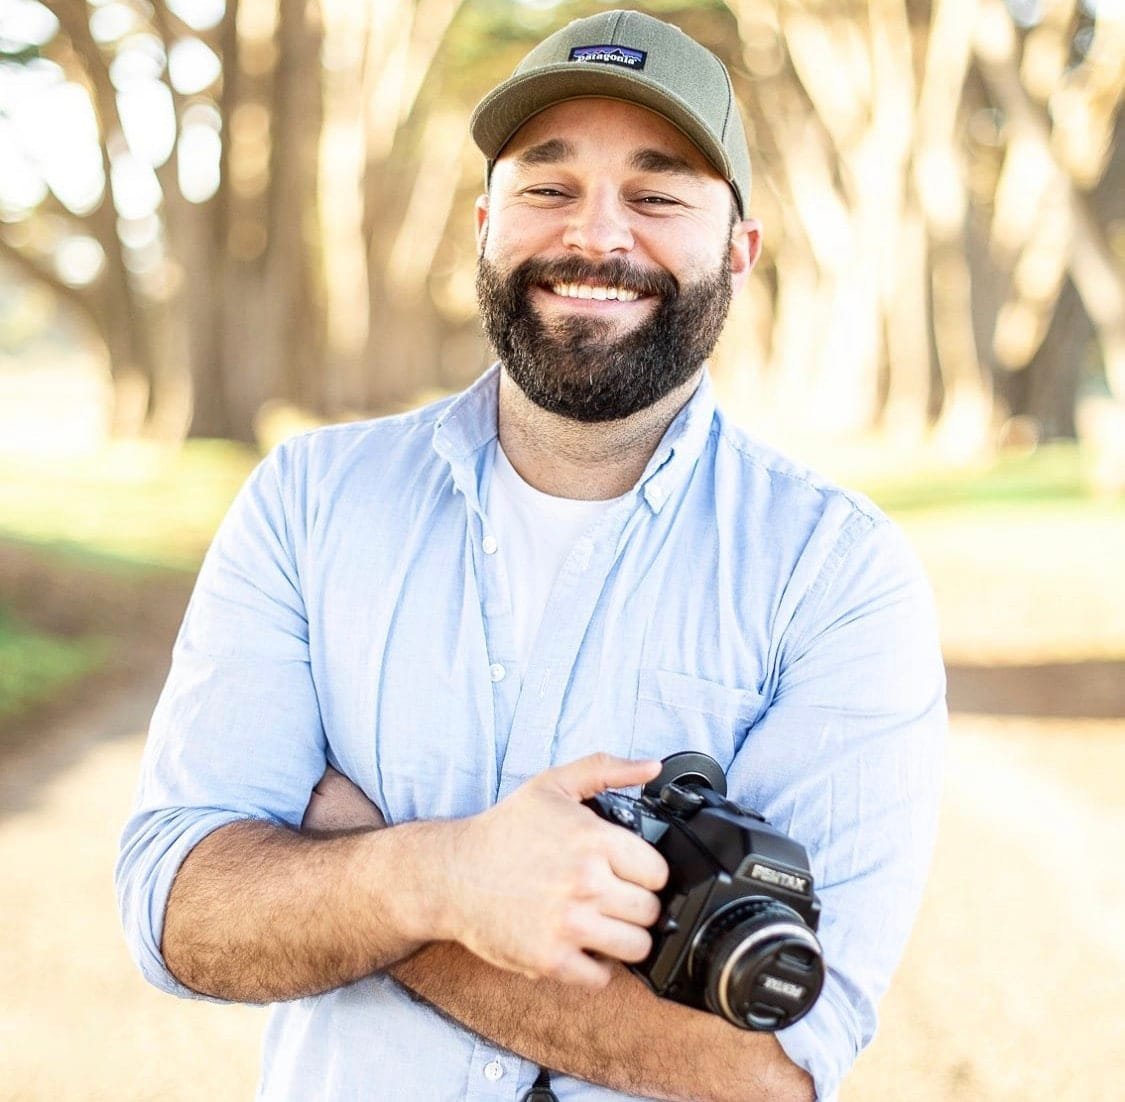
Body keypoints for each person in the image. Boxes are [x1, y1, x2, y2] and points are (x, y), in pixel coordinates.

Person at [117, 10, 945, 1102]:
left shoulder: (836, 576)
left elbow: (770, 1063)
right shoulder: (308, 504)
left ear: (739, 252)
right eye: (548, 189)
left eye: (656, 196)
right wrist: (447, 878)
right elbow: (180, 910)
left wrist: (368, 874)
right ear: (484, 225)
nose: (595, 237)